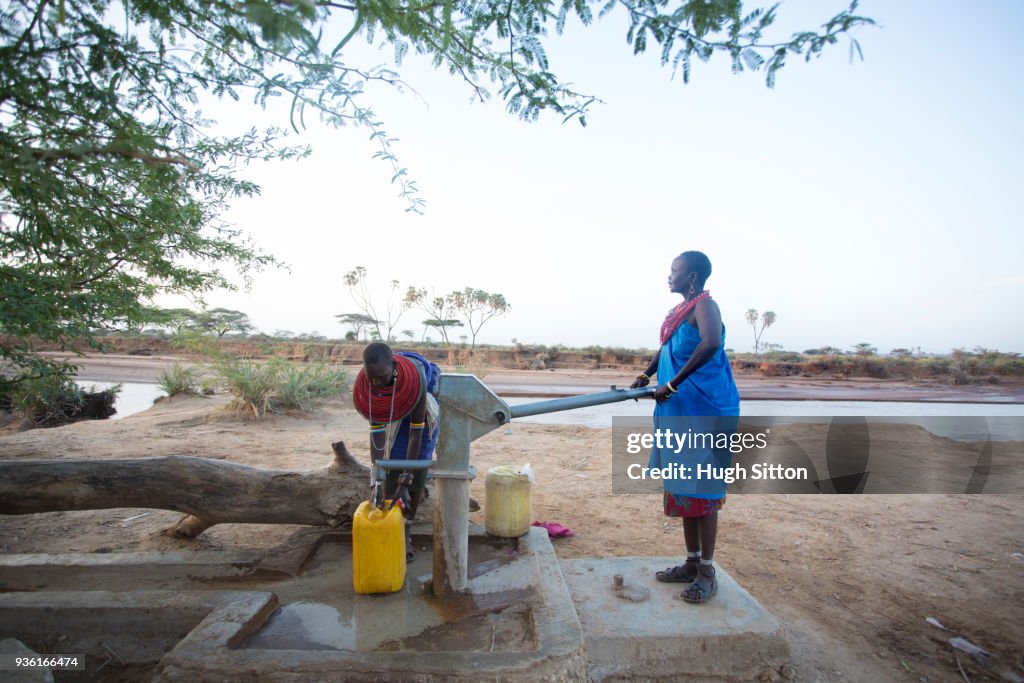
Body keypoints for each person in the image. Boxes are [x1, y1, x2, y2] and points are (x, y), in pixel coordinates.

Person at [630, 251, 740, 604]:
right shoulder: (680, 312)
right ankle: (691, 564)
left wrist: (672, 383)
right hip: (679, 408)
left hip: (703, 409)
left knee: (703, 490)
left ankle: (708, 571)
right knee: (683, 487)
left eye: (674, 271)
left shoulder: (705, 307)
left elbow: (710, 344)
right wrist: (646, 375)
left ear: (692, 277)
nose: (669, 276)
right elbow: (665, 350)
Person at [352, 342, 440, 540]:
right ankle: (393, 516)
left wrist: (406, 481)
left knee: (419, 459)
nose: (376, 383)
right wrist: (377, 480)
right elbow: (377, 439)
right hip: (397, 399)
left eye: (382, 377)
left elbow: (415, 434)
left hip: (422, 397)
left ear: (393, 365)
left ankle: (407, 528)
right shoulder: (371, 390)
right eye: (371, 377)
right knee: (393, 455)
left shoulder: (415, 379)